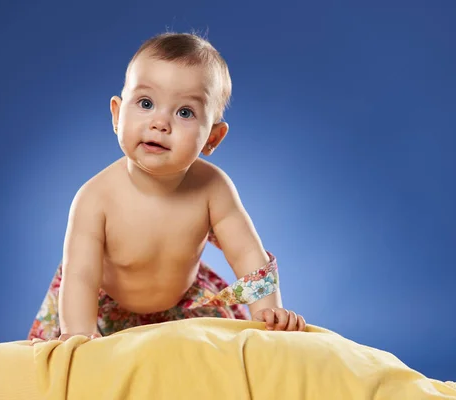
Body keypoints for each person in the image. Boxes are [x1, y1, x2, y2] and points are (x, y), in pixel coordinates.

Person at [29, 31, 306, 342]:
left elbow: (246, 252)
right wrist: (80, 333)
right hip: (101, 309)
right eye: (146, 103)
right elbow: (80, 275)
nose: (160, 123)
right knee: (68, 367)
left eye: (184, 112)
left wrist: (267, 313)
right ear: (117, 115)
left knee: (226, 359)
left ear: (212, 138)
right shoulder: (96, 197)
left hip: (184, 305)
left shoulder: (213, 188)